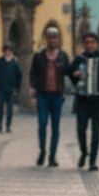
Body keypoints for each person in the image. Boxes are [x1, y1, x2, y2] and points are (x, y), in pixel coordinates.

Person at [70, 30, 99, 171]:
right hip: (83, 100)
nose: (90, 45)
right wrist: (75, 74)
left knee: (96, 132)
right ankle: (84, 152)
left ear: (97, 44)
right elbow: (70, 75)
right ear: (84, 44)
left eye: (92, 42)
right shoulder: (79, 60)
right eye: (87, 43)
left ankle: (93, 161)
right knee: (80, 129)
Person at [29, 26, 71, 166]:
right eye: (50, 37)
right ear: (46, 39)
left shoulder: (63, 56)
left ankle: (52, 156)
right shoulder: (39, 56)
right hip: (42, 95)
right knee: (42, 124)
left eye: (55, 37)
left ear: (58, 39)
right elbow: (33, 75)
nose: (52, 39)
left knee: (55, 127)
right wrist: (33, 93)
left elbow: (69, 73)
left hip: (57, 95)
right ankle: (42, 152)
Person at [0, 44, 22, 132]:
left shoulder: (14, 63)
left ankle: (8, 126)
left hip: (10, 89)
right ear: (3, 51)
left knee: (10, 109)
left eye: (9, 50)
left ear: (11, 51)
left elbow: (19, 76)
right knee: (0, 107)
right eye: (6, 50)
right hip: (0, 89)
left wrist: (17, 88)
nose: (7, 52)